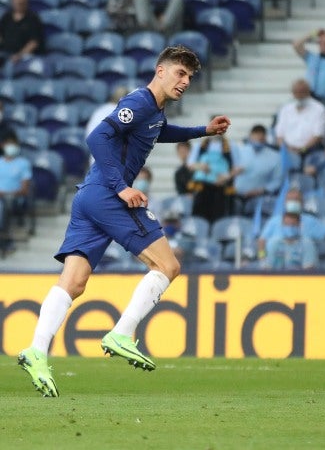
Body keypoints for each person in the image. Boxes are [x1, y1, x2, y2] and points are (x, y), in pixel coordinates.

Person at [17, 46, 230, 397]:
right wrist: (121, 187)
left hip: (89, 196)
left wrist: (201, 131)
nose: (185, 82)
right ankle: (121, 333)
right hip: (107, 194)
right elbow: (96, 137)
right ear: (160, 71)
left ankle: (36, 351)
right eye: (180, 73)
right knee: (168, 265)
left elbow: (158, 131)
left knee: (74, 281)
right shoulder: (141, 102)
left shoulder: (153, 111)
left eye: (190, 77)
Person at [231, 125, 284, 215]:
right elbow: (227, 172)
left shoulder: (275, 156)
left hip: (259, 198)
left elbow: (277, 180)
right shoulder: (239, 151)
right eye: (255, 137)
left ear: (265, 138)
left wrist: (261, 190)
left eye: (261, 138)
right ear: (250, 137)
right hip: (235, 197)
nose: (258, 140)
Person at [186, 130, 235, 224]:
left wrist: (226, 176)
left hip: (221, 188)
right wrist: (201, 166)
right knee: (199, 217)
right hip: (202, 188)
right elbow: (190, 165)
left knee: (218, 219)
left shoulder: (230, 146)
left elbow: (238, 167)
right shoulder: (201, 145)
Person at [273, 79, 325, 157]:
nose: (298, 95)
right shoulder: (285, 108)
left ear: (308, 92)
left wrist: (302, 150)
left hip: (309, 151)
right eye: (296, 92)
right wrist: (286, 149)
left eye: (302, 92)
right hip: (287, 151)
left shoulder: (319, 109)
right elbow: (279, 135)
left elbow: (318, 136)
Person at [257, 202, 318, 271]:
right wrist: (262, 257)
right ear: (282, 226)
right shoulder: (273, 243)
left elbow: (309, 271)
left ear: (299, 225)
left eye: (293, 224)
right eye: (287, 225)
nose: (290, 227)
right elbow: (267, 269)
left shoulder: (307, 244)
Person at [0, 133, 31, 250]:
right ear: (2, 145)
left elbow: (24, 189)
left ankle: (5, 240)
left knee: (3, 204)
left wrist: (5, 194)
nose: (11, 146)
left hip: (14, 198)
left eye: (13, 144)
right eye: (8, 144)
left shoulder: (23, 163)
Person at [0, 0, 44, 66]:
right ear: (12, 0)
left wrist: (20, 55)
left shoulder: (33, 18)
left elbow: (34, 43)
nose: (19, 1)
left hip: (25, 58)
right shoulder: (6, 17)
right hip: (5, 54)